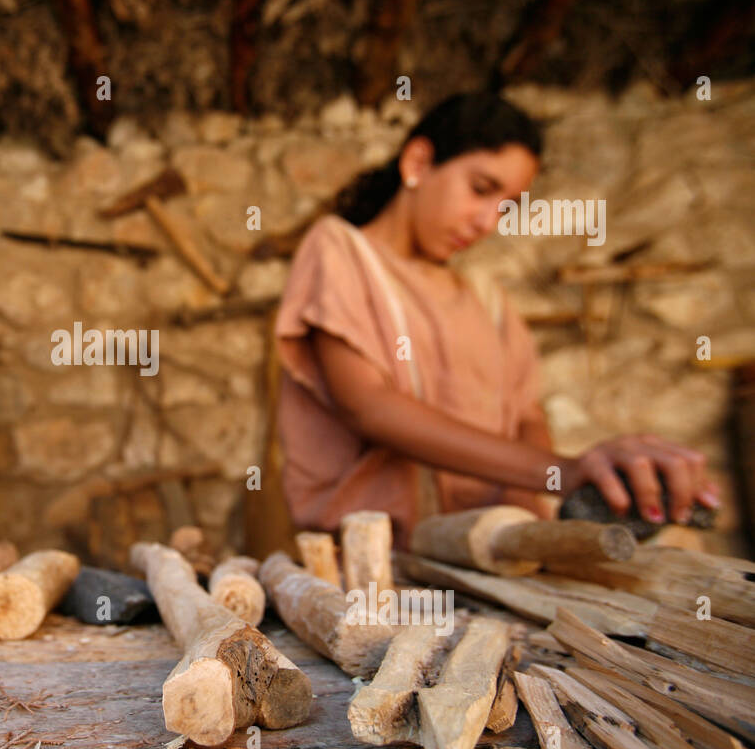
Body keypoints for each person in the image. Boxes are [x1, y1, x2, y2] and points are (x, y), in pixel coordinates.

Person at [275, 92, 719, 549]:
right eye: (482, 189)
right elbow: (367, 405)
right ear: (419, 162)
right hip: (379, 571)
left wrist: (539, 518)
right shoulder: (341, 252)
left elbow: (526, 414)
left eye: (507, 206)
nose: (489, 221)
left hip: (489, 563)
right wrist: (561, 471)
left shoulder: (486, 298)